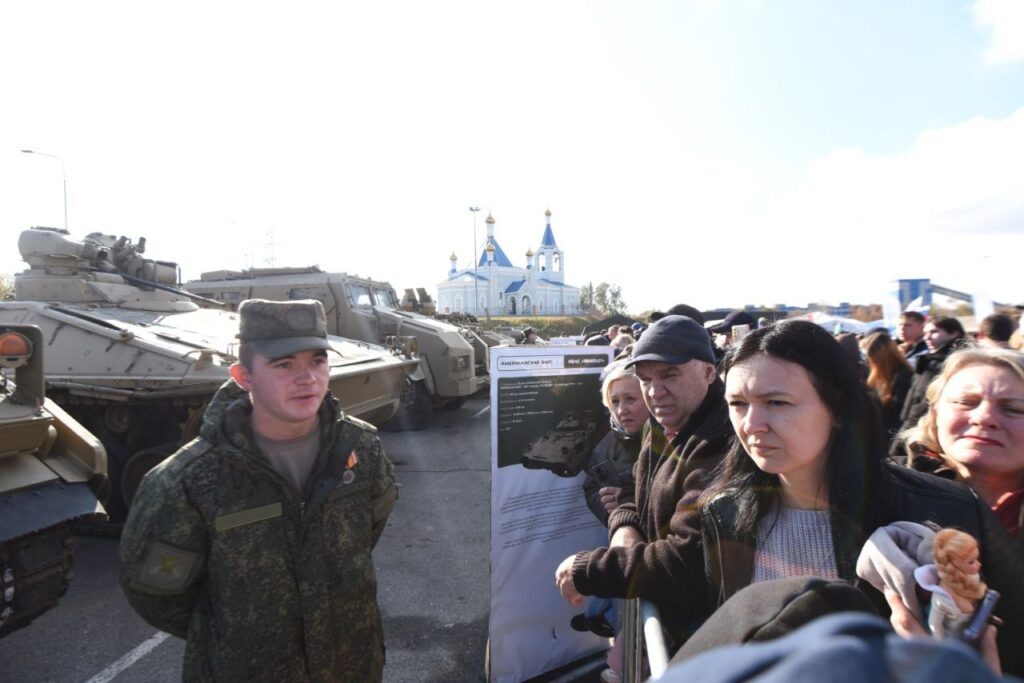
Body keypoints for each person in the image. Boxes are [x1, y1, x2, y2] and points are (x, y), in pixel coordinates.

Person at [693, 320, 1024, 674]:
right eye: (738, 403)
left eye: (777, 402)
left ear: (836, 408)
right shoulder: (723, 512)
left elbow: (1012, 646)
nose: (752, 423)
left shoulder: (945, 509)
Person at [119, 299, 397, 682]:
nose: (307, 378)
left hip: (352, 665)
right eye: (283, 364)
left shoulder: (360, 449)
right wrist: (240, 632)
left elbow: (369, 530)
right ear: (243, 376)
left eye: (317, 361)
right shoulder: (189, 480)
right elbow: (157, 595)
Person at [555, 314, 733, 646]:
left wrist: (589, 569)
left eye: (669, 375)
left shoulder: (722, 443)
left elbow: (685, 563)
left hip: (702, 639)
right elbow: (633, 489)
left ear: (709, 372)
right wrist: (625, 527)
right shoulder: (663, 423)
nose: (655, 391)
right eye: (645, 379)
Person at [578, 360, 651, 682]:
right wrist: (606, 507)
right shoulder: (606, 445)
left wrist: (628, 503)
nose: (623, 409)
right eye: (615, 401)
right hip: (623, 552)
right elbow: (591, 486)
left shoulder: (669, 441)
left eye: (631, 399)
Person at [904, 347, 1024, 543]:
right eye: (965, 402)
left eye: (1013, 409)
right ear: (935, 413)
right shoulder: (881, 493)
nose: (983, 418)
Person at [892, 316, 967, 457]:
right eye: (925, 333)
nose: (927, 337)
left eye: (934, 332)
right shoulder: (930, 360)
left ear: (954, 334)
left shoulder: (954, 366)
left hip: (927, 436)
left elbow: (923, 407)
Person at [861, 331, 913, 446]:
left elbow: (900, 413)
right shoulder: (877, 376)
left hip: (892, 436)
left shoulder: (904, 376)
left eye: (870, 358)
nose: (868, 362)